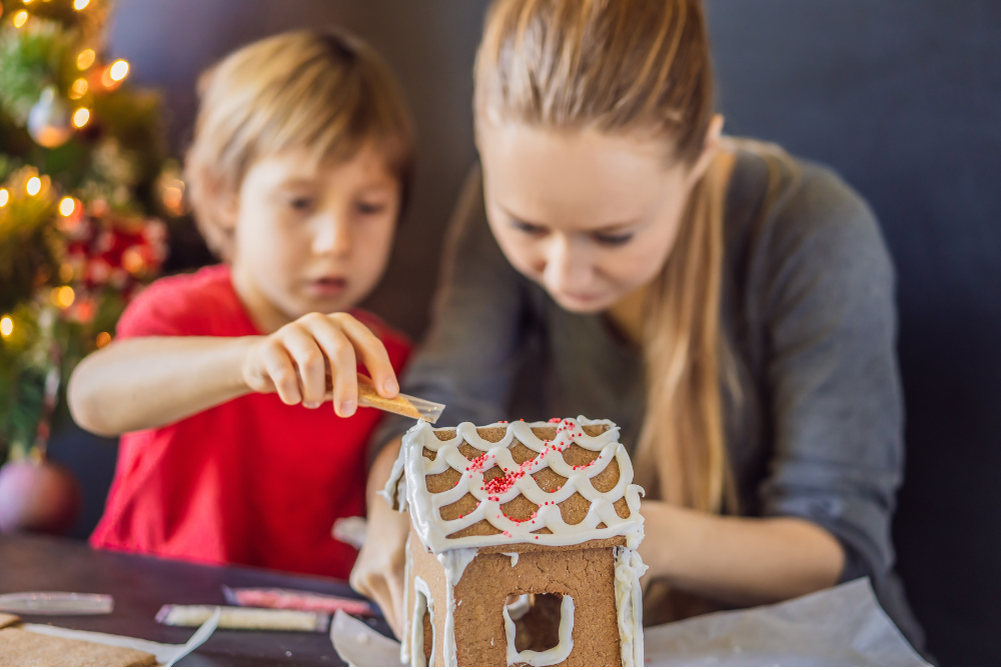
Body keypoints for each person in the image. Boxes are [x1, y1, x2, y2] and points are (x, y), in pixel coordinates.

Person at [351, 0, 923, 648]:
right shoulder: (493, 211)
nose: (564, 272)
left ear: (700, 155)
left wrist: (614, 528)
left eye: (613, 235)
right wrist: (395, 501)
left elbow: (836, 548)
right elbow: (441, 407)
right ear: (482, 142)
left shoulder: (810, 232)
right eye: (526, 226)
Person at [68, 30, 414, 580]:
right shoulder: (180, 316)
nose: (336, 241)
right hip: (147, 608)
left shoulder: (388, 362)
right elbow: (91, 396)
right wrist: (249, 360)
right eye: (300, 202)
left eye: (368, 207)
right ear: (223, 194)